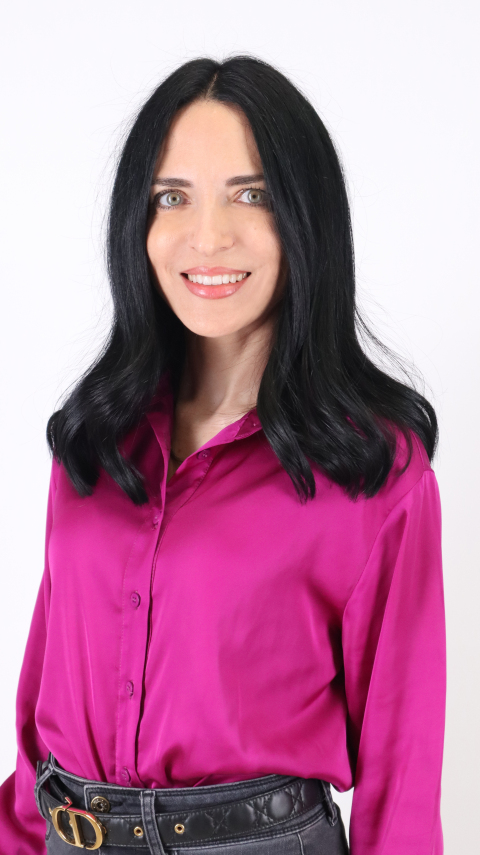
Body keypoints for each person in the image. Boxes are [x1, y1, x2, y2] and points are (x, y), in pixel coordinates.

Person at [0, 55, 446, 855]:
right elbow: (42, 721)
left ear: (305, 217)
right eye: (172, 197)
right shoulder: (94, 439)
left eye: (252, 194)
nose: (208, 237)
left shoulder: (375, 469)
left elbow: (402, 771)